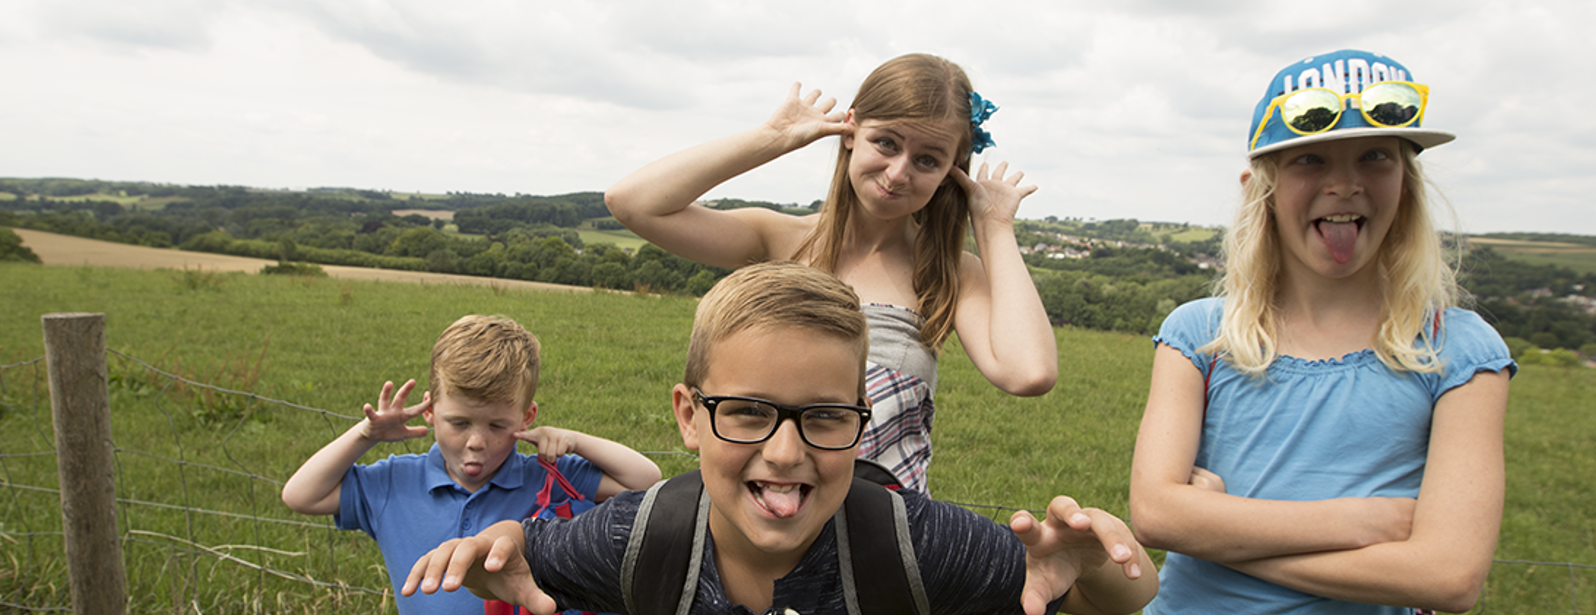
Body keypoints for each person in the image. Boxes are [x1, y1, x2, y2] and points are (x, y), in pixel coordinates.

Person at [402, 261, 1157, 615]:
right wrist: (493, 548)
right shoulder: (641, 537)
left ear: (860, 415)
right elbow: (522, 559)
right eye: (748, 411)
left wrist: (1100, 568)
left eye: (824, 416)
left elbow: (1098, 604)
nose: (787, 452)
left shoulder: (914, 542)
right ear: (689, 414)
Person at [1128, 49, 1517, 614]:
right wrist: (1360, 521)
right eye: (1309, 160)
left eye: (1375, 157)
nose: (1344, 184)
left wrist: (1222, 535)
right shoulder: (1200, 334)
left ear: (1406, 184)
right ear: (1260, 188)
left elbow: (1448, 576)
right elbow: (1157, 514)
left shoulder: (1459, 351)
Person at [605, 53, 1056, 493]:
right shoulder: (782, 240)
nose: (898, 172)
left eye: (927, 160)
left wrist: (995, 226)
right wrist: (772, 136)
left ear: (951, 172)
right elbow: (633, 203)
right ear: (851, 132)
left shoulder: (947, 272)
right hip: (763, 501)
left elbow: (1028, 373)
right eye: (887, 142)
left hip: (879, 531)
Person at [281, 314, 663, 615]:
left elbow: (646, 479)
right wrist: (366, 435)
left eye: (498, 425)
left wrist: (574, 441)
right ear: (430, 411)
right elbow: (301, 495)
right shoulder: (396, 481)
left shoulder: (547, 475)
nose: (476, 442)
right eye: (459, 423)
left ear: (527, 417)